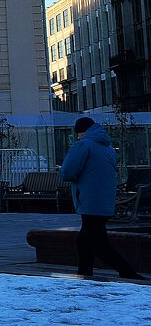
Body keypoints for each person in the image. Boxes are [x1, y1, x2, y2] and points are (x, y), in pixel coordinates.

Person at [60, 117, 145, 280]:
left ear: (81, 132)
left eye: (77, 134)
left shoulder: (83, 145)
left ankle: (127, 272)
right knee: (84, 240)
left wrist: (61, 171)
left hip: (89, 200)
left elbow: (67, 172)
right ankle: (85, 274)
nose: (77, 137)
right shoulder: (108, 148)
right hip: (104, 201)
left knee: (98, 243)